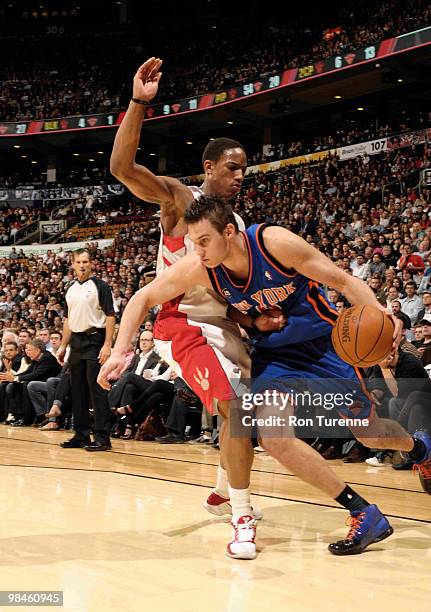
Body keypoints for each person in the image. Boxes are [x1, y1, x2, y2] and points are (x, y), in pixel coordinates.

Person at [99, 195, 431, 559]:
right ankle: (363, 511)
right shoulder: (202, 267)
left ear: (229, 231)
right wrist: (122, 350)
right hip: (274, 357)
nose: (196, 251)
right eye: (193, 242)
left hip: (323, 347)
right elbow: (143, 297)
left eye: (203, 241)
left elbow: (342, 281)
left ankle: (418, 447)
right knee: (272, 436)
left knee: (370, 433)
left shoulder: (274, 243)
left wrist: (382, 315)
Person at [110, 57, 281, 525]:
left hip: (222, 325)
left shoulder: (240, 226)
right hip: (180, 322)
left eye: (244, 169)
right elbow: (121, 167)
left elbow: (230, 293)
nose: (240, 175)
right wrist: (138, 104)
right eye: (232, 167)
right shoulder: (180, 200)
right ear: (209, 167)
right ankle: (240, 513)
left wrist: (254, 319)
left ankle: (223, 493)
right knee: (233, 406)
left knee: (250, 410)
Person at [57, 248, 115, 451]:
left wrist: (107, 344)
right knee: (78, 389)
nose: (82, 265)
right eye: (78, 262)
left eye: (85, 261)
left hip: (95, 339)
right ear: (72, 264)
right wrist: (63, 345)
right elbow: (67, 320)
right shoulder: (70, 289)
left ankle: (102, 437)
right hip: (76, 342)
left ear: (91, 264)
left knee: (96, 389)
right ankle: (81, 434)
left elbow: (110, 316)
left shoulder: (101, 286)